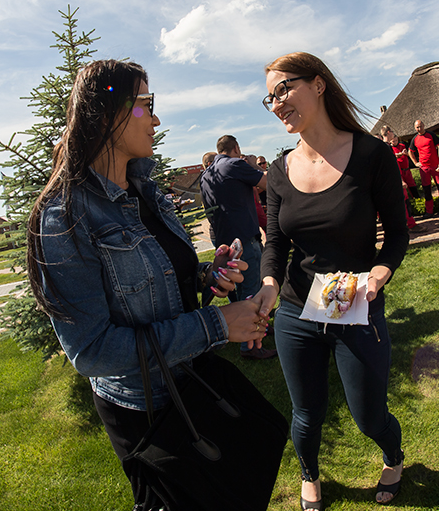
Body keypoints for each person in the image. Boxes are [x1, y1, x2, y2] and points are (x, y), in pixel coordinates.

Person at [27, 59, 268, 510]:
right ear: (109, 113)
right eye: (145, 104)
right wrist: (217, 325)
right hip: (146, 410)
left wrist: (205, 276)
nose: (155, 118)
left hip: (192, 379)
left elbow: (158, 278)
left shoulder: (147, 191)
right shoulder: (65, 216)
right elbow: (92, 351)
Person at [254, 52, 409, 508]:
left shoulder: (371, 154)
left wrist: (378, 274)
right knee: (306, 413)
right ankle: (309, 476)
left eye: (283, 89)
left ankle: (394, 457)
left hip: (356, 307)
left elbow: (398, 232)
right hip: (297, 312)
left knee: (368, 416)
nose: (277, 103)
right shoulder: (278, 170)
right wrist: (267, 284)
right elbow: (276, 244)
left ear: (318, 85)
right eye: (270, 98)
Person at [200, 135, 277, 360]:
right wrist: (253, 165)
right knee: (252, 288)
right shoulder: (234, 164)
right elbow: (268, 183)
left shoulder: (206, 174)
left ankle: (249, 332)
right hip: (245, 238)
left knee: (236, 292)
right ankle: (251, 346)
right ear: (236, 148)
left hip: (224, 243)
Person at [380, 125, 423, 232]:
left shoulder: (383, 147)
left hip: (390, 181)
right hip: (395, 180)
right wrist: (400, 180)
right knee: (404, 202)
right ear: (389, 132)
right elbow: (390, 166)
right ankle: (411, 225)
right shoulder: (386, 148)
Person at [410, 119, 439, 217]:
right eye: (417, 127)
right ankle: (429, 211)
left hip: (435, 166)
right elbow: (410, 151)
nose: (419, 129)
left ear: (423, 125)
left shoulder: (431, 135)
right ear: (415, 128)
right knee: (427, 189)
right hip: (424, 168)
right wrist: (415, 163)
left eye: (420, 126)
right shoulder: (415, 139)